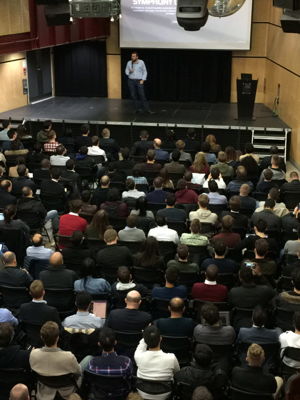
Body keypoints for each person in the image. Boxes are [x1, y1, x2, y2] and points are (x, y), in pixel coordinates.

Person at [30, 321, 81, 399]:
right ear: (58, 338)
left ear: (41, 337)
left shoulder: (33, 354)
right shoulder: (69, 357)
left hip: (44, 392)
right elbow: (78, 373)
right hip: (67, 392)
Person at [134, 325, 180, 399]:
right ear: (161, 339)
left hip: (143, 392)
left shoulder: (138, 356)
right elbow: (177, 373)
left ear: (145, 341)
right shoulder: (171, 358)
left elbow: (141, 344)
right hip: (165, 394)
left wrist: (147, 333)